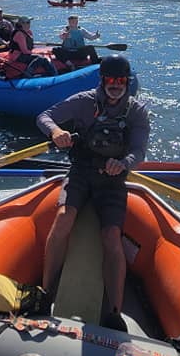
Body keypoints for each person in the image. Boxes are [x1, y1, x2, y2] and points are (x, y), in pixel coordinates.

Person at [36, 56, 150, 331]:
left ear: (126, 82)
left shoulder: (137, 112)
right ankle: (46, 293)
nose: (115, 86)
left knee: (111, 236)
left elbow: (139, 151)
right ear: (102, 81)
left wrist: (124, 164)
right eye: (109, 80)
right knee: (63, 218)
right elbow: (44, 116)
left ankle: (113, 311)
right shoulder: (84, 101)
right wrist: (56, 132)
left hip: (112, 180)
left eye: (120, 81)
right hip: (80, 172)